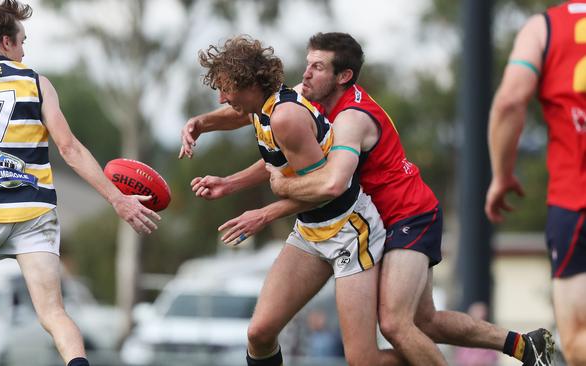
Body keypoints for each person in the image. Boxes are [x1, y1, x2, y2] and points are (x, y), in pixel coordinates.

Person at [182, 32, 554, 366]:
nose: (306, 74)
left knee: (396, 325)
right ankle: (523, 346)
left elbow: (329, 187)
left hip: (400, 214)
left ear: (343, 77)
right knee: (418, 322)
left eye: (318, 67)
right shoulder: (294, 101)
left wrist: (266, 210)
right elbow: (262, 136)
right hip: (329, 224)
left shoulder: (350, 119)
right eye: (307, 64)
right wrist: (202, 127)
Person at [0, 2, 160, 366]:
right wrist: (118, 200)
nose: (25, 49)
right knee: (54, 315)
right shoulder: (37, 83)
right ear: (6, 41)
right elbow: (70, 149)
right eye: (22, 40)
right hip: (35, 211)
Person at [195, 35, 399, 366]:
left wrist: (262, 215)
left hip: (349, 231)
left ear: (248, 84)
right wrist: (227, 183)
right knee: (259, 334)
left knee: (363, 361)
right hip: (312, 230)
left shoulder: (285, 117)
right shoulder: (262, 111)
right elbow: (276, 163)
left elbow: (320, 190)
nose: (221, 97)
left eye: (225, 88)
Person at [486, 2, 586, 365]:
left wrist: (501, 174)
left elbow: (510, 101)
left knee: (576, 340)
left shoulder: (544, 28)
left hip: (576, 200)